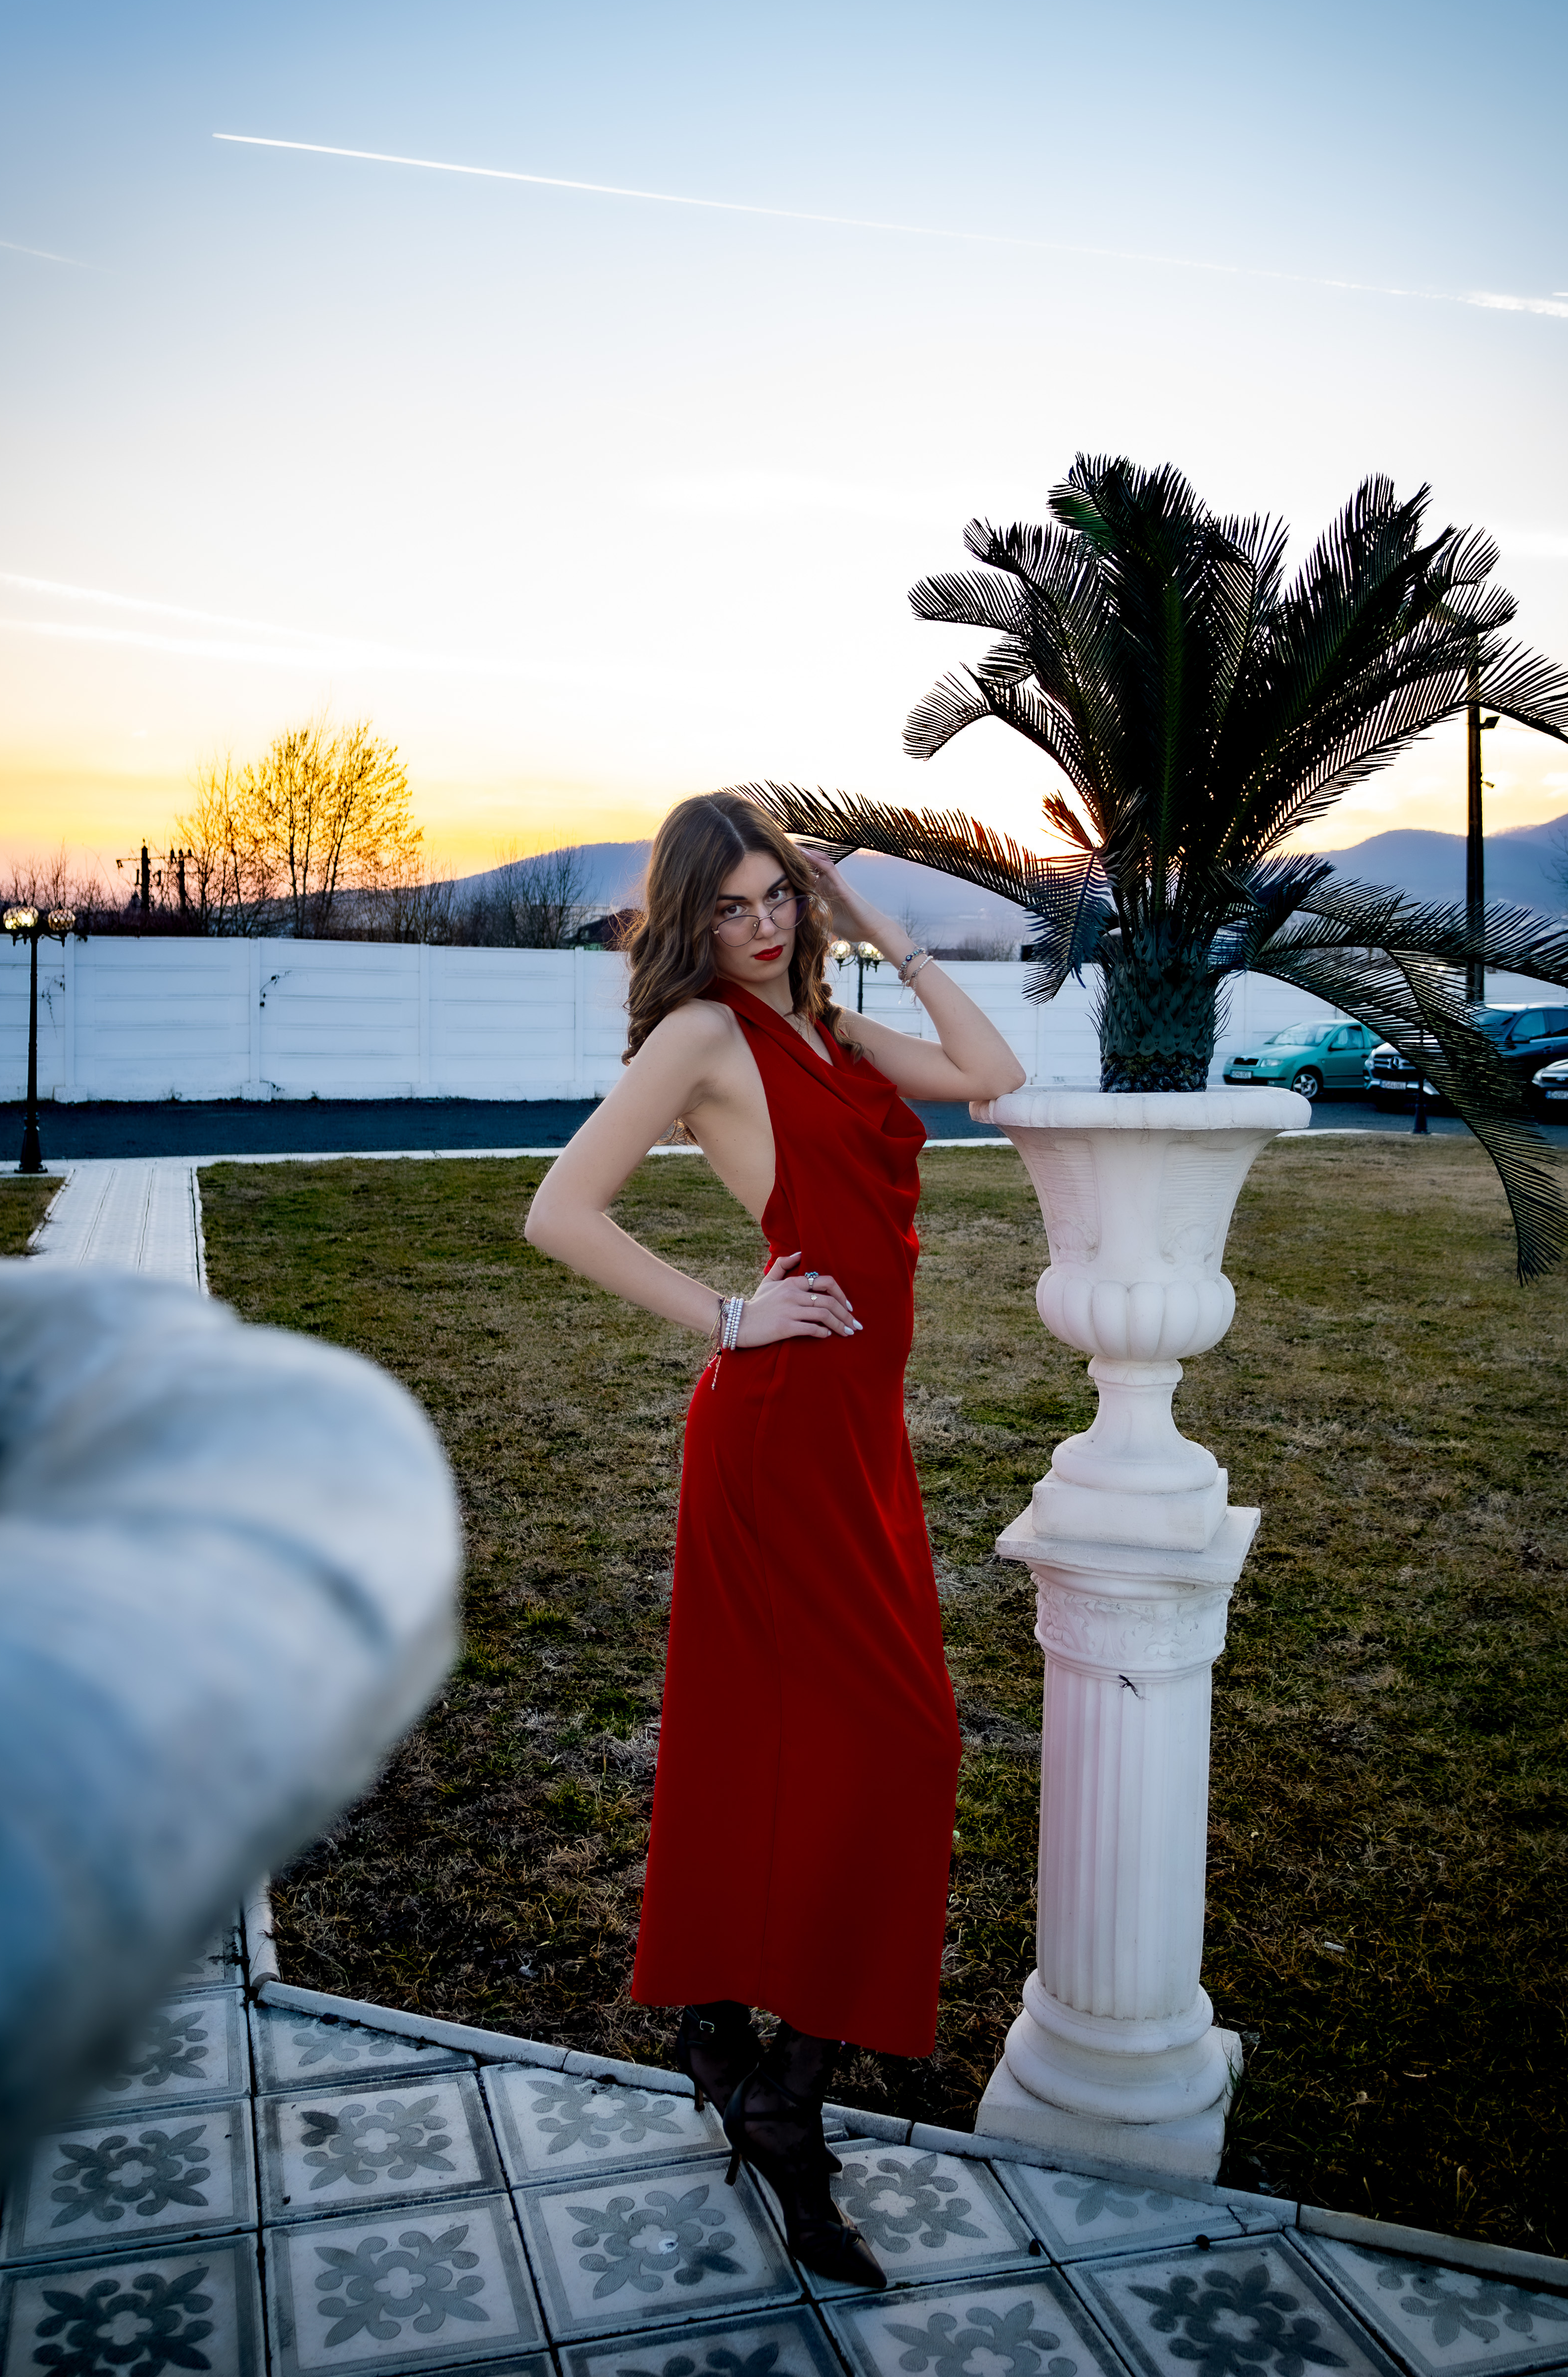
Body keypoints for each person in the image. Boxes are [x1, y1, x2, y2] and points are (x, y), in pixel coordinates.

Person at [524, 793, 1025, 2288]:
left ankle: (724, 2037)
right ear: (692, 921)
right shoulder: (700, 1036)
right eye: (732, 907)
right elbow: (560, 1211)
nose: (761, 927)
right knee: (903, 1737)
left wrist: (878, 926)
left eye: (779, 898)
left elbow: (992, 1077)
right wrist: (732, 1318)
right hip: (779, 1423)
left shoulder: (829, 1028)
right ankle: (783, 2105)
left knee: (794, 1736)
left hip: (856, 1434)